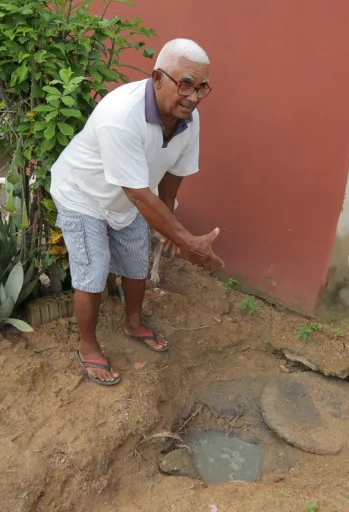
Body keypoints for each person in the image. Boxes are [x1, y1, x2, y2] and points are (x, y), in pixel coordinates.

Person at [49, 38, 223, 386]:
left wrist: (169, 223)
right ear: (158, 77)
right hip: (83, 194)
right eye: (185, 84)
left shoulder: (189, 118)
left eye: (202, 87)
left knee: (134, 261)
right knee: (93, 270)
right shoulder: (121, 117)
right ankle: (87, 346)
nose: (193, 96)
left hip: (129, 198)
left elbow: (173, 173)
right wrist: (186, 240)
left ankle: (133, 322)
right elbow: (139, 195)